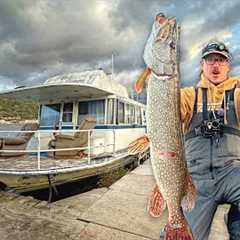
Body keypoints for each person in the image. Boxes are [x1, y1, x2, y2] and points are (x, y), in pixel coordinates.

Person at [130, 40, 240, 239]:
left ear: (228, 66)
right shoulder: (189, 95)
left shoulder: (238, 94)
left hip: (233, 173)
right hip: (196, 179)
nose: (215, 65)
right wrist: (153, 72)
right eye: (210, 60)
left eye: (221, 60)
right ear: (202, 65)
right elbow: (167, 107)